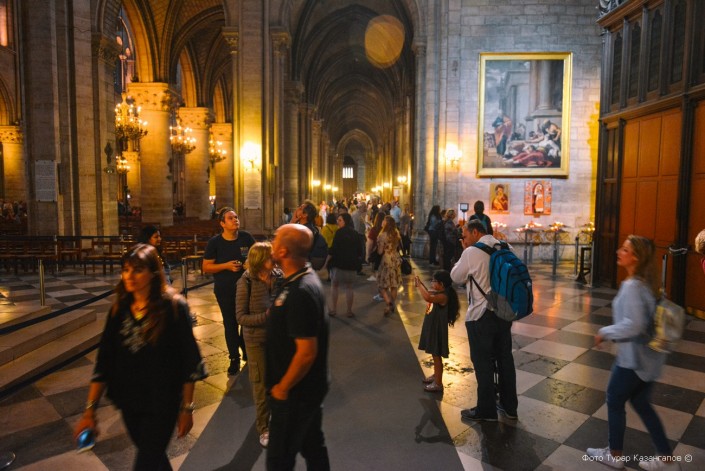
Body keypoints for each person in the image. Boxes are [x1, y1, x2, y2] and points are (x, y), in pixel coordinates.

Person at [73, 244, 204, 471]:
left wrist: (187, 408)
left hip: (162, 402)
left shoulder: (173, 308)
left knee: (146, 461)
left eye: (137, 270)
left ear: (153, 273)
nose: (129, 276)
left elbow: (189, 361)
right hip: (129, 401)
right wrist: (89, 411)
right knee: (154, 459)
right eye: (125, 270)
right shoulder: (119, 309)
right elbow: (104, 362)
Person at [587, 235, 677, 471]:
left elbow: (634, 325)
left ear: (636, 257)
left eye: (625, 249)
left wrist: (605, 331)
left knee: (614, 399)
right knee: (640, 403)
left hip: (634, 359)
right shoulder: (647, 283)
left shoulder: (632, 287)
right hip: (649, 359)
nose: (619, 251)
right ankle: (666, 459)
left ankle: (614, 454)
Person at [266, 224, 330, 470]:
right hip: (307, 388)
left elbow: (306, 352)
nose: (271, 243)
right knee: (313, 447)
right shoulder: (300, 277)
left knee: (278, 461)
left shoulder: (301, 291)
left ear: (283, 251)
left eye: (275, 239)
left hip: (295, 393)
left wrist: (282, 388)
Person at [451, 219, 517, 421]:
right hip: (504, 313)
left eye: (465, 235)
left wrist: (464, 251)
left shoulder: (471, 252)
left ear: (475, 232)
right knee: (505, 359)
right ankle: (510, 407)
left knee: (483, 362)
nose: (464, 239)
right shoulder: (507, 247)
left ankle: (487, 410)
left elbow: (455, 276)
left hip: (481, 315)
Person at [236, 242, 283, 449]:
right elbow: (240, 317)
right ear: (260, 260)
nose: (275, 258)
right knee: (261, 384)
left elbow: (285, 298)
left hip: (277, 338)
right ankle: (264, 428)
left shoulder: (278, 276)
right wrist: (266, 316)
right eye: (270, 256)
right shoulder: (245, 282)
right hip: (256, 340)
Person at [203, 207, 256, 375]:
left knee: (246, 321)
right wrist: (226, 266)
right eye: (231, 218)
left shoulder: (246, 238)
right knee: (230, 323)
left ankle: (246, 350)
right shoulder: (215, 242)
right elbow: (206, 267)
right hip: (225, 289)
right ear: (222, 223)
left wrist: (249, 264)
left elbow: (257, 257)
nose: (235, 220)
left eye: (236, 217)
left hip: (247, 288)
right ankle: (234, 358)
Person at [414, 270, 460, 392]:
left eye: (434, 281)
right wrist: (421, 284)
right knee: (434, 353)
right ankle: (436, 375)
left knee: (436, 354)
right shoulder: (439, 292)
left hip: (438, 329)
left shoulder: (443, 296)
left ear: (441, 284)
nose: (432, 283)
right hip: (434, 327)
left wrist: (418, 285)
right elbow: (428, 293)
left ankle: (438, 383)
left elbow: (428, 297)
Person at [326, 212, 363, 318]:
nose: (338, 222)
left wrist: (326, 261)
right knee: (349, 288)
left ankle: (333, 309)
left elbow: (333, 249)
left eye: (340, 220)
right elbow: (360, 251)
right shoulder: (355, 233)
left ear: (345, 221)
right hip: (351, 265)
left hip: (338, 265)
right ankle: (349, 311)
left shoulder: (339, 233)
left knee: (334, 285)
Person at [376, 215, 403, 316]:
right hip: (395, 259)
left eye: (384, 220)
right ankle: (391, 304)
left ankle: (388, 303)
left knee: (382, 284)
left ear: (386, 223)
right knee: (393, 284)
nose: (382, 221)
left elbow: (380, 252)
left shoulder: (382, 235)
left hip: (386, 260)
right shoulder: (396, 233)